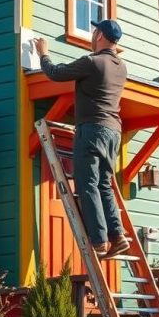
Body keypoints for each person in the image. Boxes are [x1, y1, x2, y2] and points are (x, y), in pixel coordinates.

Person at [34, 19, 130, 259]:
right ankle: (117, 236)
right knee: (104, 185)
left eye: (94, 31)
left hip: (92, 129)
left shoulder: (92, 62)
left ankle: (99, 241)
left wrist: (43, 54)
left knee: (87, 184)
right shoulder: (121, 67)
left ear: (99, 35)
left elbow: (55, 73)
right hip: (113, 132)